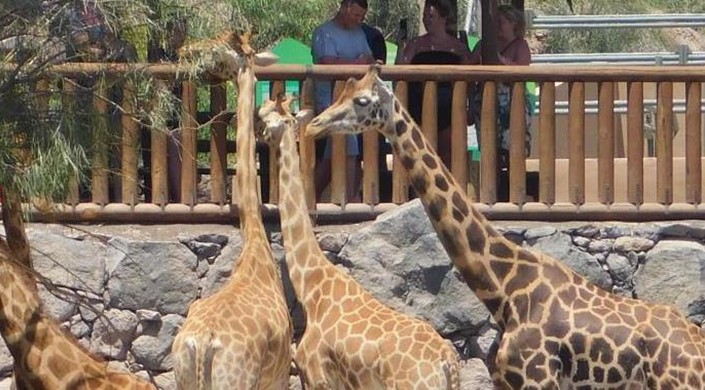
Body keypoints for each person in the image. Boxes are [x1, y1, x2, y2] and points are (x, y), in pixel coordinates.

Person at [396, 0, 478, 167]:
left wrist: (470, 107)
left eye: (431, 16)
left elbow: (470, 80)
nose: (427, 20)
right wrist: (400, 47)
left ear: (444, 17)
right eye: (425, 16)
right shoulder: (415, 44)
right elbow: (400, 70)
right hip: (418, 107)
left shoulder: (458, 47)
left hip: (449, 109)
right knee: (421, 154)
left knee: (449, 155)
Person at [311, 0, 375, 203]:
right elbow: (328, 64)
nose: (359, 20)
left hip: (355, 103)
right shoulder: (324, 33)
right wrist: (357, 63)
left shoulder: (359, 32)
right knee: (341, 148)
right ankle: (343, 197)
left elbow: (369, 58)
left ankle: (347, 196)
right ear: (346, 7)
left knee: (345, 151)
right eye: (356, 15)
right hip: (330, 101)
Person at [469, 4, 534, 200]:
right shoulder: (485, 43)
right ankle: (491, 193)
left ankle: (517, 193)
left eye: (501, 22)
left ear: (514, 24)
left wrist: (499, 59)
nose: (497, 26)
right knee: (490, 150)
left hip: (512, 105)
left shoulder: (520, 45)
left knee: (514, 150)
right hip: (486, 103)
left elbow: (521, 68)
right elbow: (469, 64)